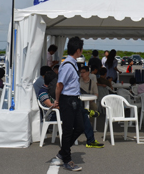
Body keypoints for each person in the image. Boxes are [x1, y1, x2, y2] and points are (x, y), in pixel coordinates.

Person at [40, 71, 104, 151]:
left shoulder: (53, 89)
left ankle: (90, 140)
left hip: (60, 112)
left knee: (81, 115)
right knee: (78, 112)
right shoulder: (43, 92)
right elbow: (51, 106)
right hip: (52, 115)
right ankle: (87, 112)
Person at [50, 36, 85, 171]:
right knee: (68, 130)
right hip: (67, 99)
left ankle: (62, 152)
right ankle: (67, 159)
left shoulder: (73, 63)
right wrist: (57, 100)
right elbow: (59, 85)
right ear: (78, 50)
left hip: (74, 99)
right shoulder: (67, 65)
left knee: (80, 127)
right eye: (81, 49)